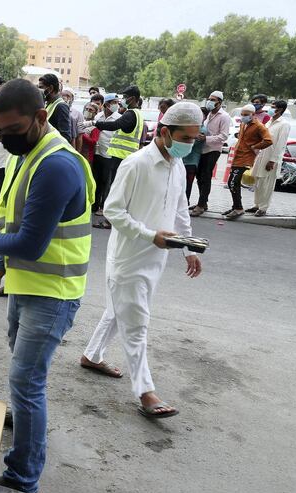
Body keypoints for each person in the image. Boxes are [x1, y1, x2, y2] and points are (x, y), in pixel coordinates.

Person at [0, 79, 95, 493]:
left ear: (41, 117)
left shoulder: (56, 164)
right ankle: (24, 417)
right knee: (24, 374)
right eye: (0, 133)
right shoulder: (29, 154)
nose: (7, 141)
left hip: (53, 294)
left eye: (13, 132)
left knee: (27, 380)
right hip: (26, 284)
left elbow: (30, 243)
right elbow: (18, 226)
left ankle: (22, 474)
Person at [81, 102, 204, 418]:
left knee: (117, 310)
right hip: (129, 258)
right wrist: (150, 235)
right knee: (136, 323)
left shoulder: (176, 166)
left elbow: (180, 211)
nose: (190, 145)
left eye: (194, 139)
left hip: (156, 258)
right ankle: (146, 392)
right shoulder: (136, 164)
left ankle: (92, 355)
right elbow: (112, 210)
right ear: (165, 132)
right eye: (185, 138)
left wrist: (189, 248)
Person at [90, 85, 144, 211]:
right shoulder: (137, 114)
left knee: (117, 186)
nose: (122, 100)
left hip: (121, 156)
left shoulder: (130, 114)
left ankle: (112, 217)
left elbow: (115, 125)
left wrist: (95, 123)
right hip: (125, 156)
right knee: (119, 186)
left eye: (125, 97)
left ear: (133, 98)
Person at [224, 104, 272, 220]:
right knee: (233, 183)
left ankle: (238, 208)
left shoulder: (259, 126)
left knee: (232, 182)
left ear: (253, 115)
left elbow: (268, 140)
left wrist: (255, 146)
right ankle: (236, 206)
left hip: (246, 158)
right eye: (242, 114)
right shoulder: (243, 124)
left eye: (246, 115)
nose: (243, 117)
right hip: (237, 156)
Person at [191, 90, 230, 216]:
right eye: (209, 99)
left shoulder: (224, 116)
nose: (210, 102)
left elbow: (223, 137)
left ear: (219, 102)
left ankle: (201, 205)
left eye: (213, 100)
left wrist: (206, 138)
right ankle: (203, 202)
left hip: (213, 150)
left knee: (206, 177)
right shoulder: (209, 115)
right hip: (203, 149)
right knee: (199, 177)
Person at [248, 100, 291, 217]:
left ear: (280, 109)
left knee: (267, 184)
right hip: (262, 155)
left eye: (273, 107)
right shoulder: (269, 123)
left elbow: (281, 145)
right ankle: (256, 205)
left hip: (271, 159)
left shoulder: (284, 124)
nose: (271, 109)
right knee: (258, 182)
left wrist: (273, 160)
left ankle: (263, 208)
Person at [89, 93, 120, 221]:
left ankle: (103, 206)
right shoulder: (98, 116)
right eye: (114, 102)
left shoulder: (119, 118)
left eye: (117, 103)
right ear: (107, 104)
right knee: (96, 180)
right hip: (97, 152)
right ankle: (94, 205)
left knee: (106, 181)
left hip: (109, 154)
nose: (116, 105)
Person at [182, 108, 208, 203]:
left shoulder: (202, 130)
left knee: (187, 186)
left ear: (204, 117)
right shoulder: (193, 128)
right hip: (184, 161)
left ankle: (185, 203)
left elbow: (191, 143)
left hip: (191, 163)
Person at [37, 74, 71, 142]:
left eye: (41, 87)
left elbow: (65, 136)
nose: (39, 90)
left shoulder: (61, 106)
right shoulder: (49, 104)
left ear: (50, 88)